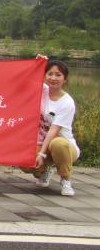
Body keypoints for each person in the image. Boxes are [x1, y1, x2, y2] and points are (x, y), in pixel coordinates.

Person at [30, 59, 79, 196]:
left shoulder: (67, 103)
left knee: (58, 143)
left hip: (65, 147)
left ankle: (65, 179)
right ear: (45, 75)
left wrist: (41, 154)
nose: (53, 78)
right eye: (50, 74)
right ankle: (46, 170)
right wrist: (37, 63)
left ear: (65, 79)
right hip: (43, 143)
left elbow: (53, 131)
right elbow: (28, 79)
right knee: (25, 158)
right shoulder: (42, 91)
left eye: (58, 75)